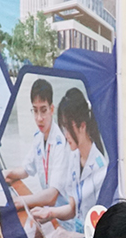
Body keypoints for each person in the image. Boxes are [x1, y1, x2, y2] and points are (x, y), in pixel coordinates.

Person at [30, 88, 108, 228]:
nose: (65, 135)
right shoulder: (74, 156)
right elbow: (72, 208)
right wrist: (49, 213)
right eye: (63, 128)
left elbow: (99, 229)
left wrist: (69, 235)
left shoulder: (100, 168)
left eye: (67, 128)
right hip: (76, 230)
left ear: (82, 126)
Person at [5, 78, 71, 208]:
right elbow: (26, 169)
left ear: (52, 109)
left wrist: (21, 201)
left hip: (63, 215)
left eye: (43, 110)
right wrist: (7, 173)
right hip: (47, 210)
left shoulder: (61, 143)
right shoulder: (38, 137)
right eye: (35, 110)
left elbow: (52, 196)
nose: (39, 118)